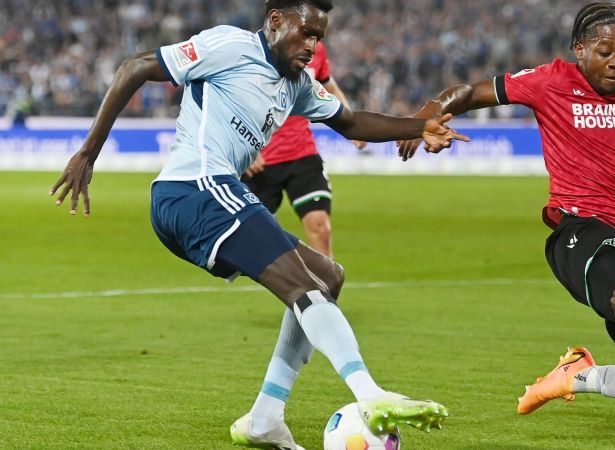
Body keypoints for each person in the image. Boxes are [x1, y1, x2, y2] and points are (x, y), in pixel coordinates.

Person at [50, 1, 466, 449]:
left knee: (327, 276)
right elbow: (135, 67)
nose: (312, 46)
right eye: (306, 33)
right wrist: (88, 154)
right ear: (275, 21)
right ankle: (370, 395)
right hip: (192, 189)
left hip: (206, 196)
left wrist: (420, 125)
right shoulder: (229, 45)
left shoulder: (297, 84)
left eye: (319, 38)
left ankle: (266, 416)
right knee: (304, 287)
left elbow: (351, 122)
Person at [398, 3, 615, 413]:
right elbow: (472, 93)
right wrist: (429, 111)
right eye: (605, 52)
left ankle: (579, 375)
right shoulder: (549, 80)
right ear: (579, 49)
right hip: (580, 230)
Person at [243, 41, 364, 258]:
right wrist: (246, 149)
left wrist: (352, 125)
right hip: (260, 161)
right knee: (252, 244)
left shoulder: (316, 49)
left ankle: (325, 290)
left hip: (302, 154)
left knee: (320, 227)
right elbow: (234, 100)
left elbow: (328, 85)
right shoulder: (257, 50)